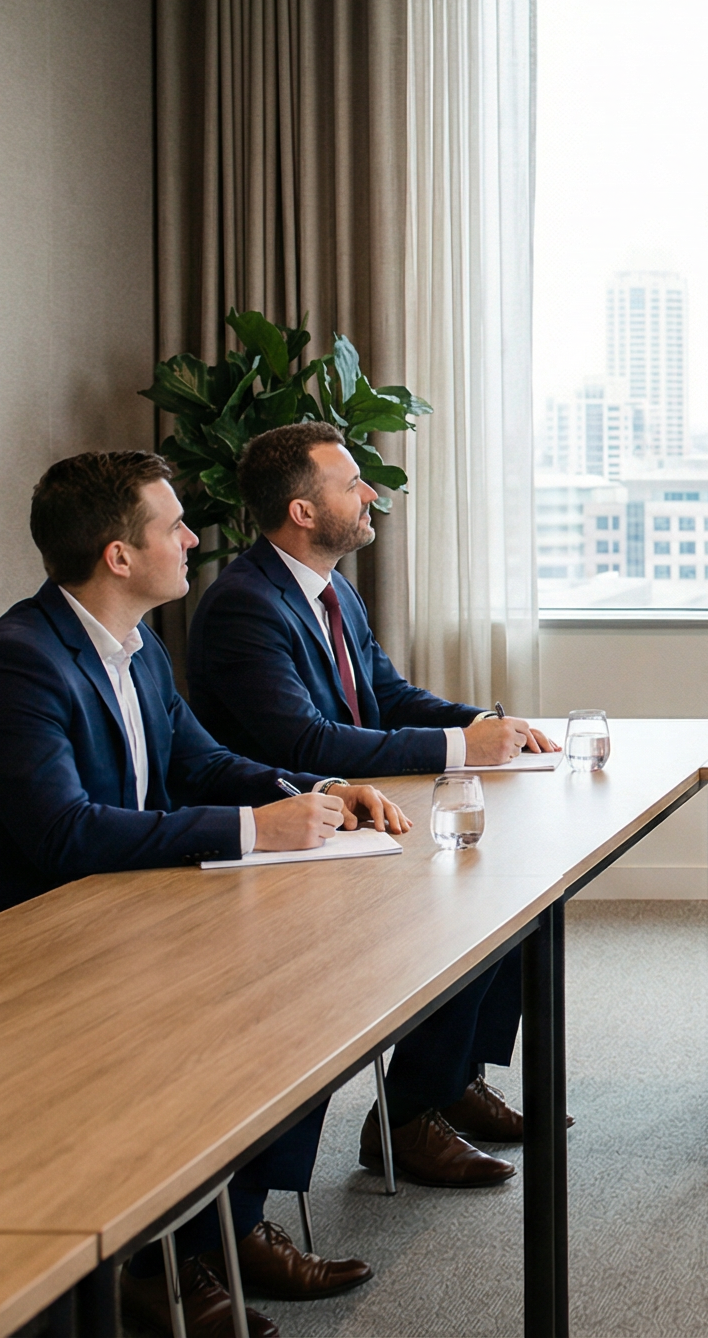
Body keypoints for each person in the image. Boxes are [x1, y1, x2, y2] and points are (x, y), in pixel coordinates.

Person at [0, 452, 404, 1338]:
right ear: (119, 557)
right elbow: (66, 834)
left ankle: (224, 1229)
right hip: (1, 955)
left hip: (114, 918)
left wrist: (314, 794)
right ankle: (149, 1261)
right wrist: (255, 832)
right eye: (172, 524)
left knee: (308, 987)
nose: (193, 538)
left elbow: (200, 763)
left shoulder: (137, 652)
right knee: (250, 1004)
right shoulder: (20, 664)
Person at [187, 421, 558, 1193]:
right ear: (301, 510)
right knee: (469, 904)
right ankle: (408, 1118)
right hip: (285, 843)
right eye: (351, 483)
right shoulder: (242, 607)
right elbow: (311, 741)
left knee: (512, 887)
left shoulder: (331, 590)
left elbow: (385, 697)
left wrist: (490, 727)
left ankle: (443, 1085)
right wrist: (461, 752)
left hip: (359, 820)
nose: (370, 496)